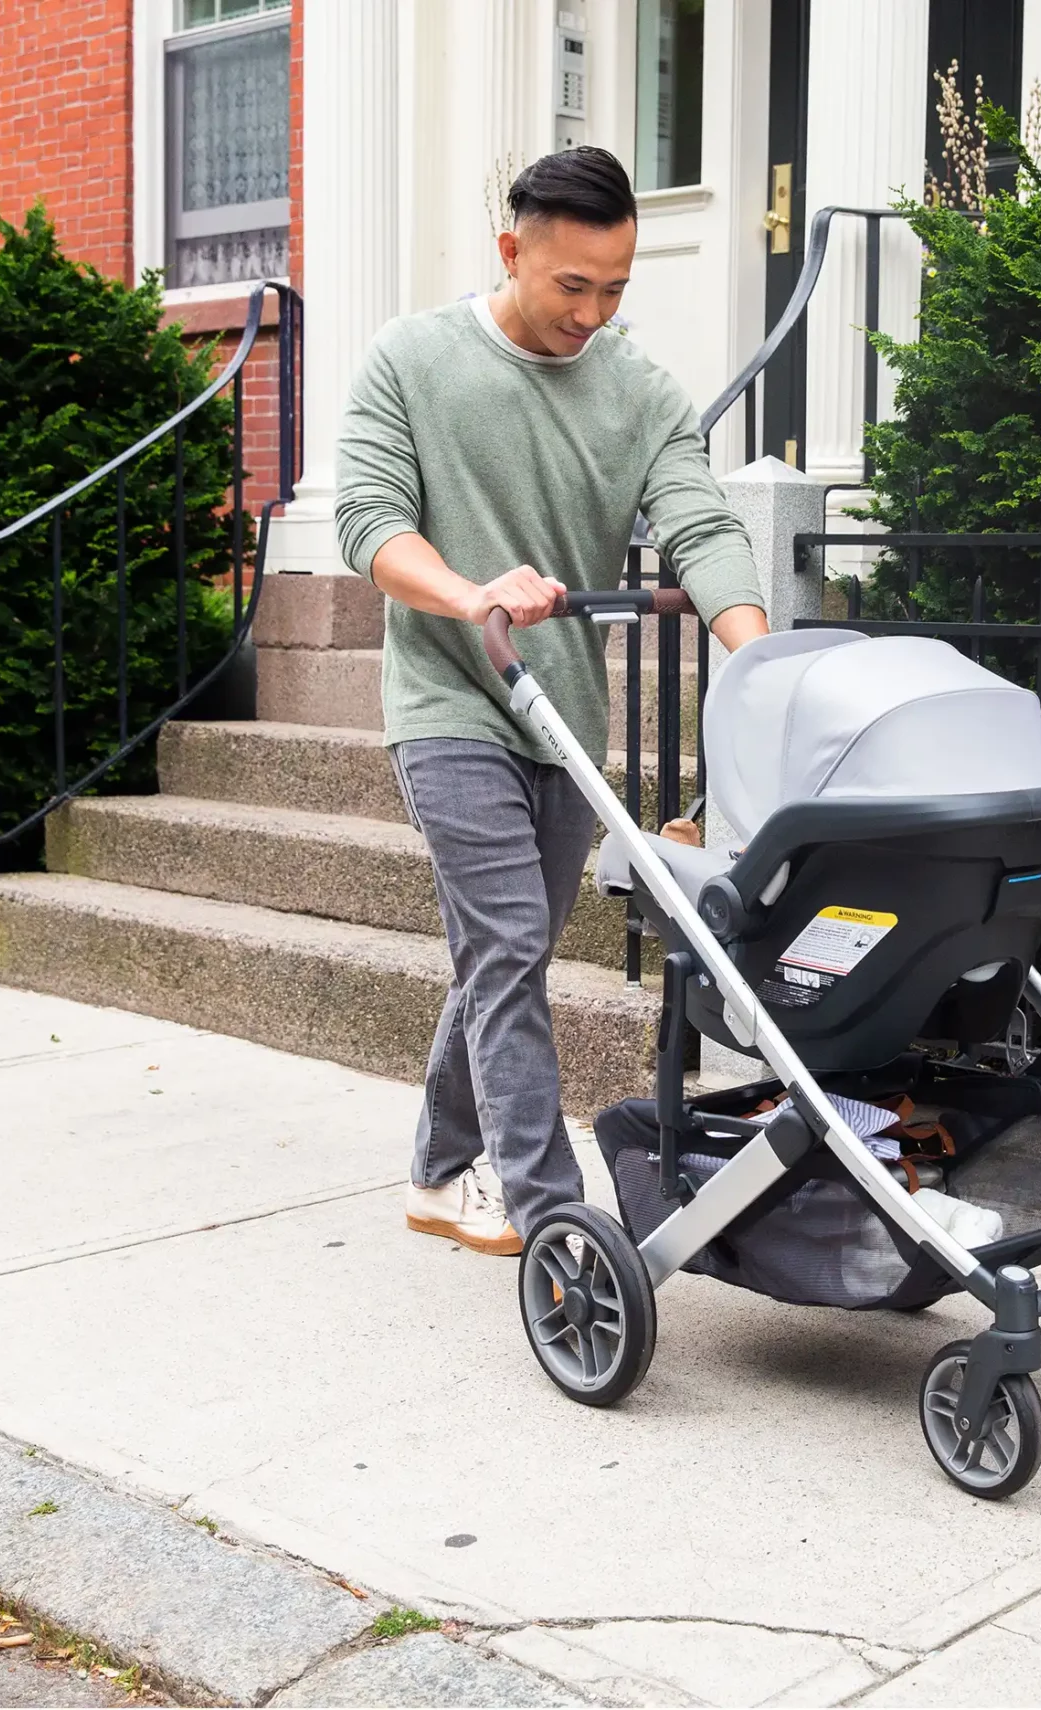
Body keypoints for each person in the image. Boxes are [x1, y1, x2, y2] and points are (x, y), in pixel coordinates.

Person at [335, 146, 769, 1256]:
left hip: (562, 713)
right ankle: (549, 1206)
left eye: (615, 288)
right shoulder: (412, 360)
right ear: (511, 250)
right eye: (571, 285)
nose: (592, 311)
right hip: (448, 701)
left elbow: (703, 527)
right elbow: (370, 526)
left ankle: (436, 1170)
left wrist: (759, 663)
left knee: (500, 951)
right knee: (513, 939)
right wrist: (468, 590)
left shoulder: (640, 393)